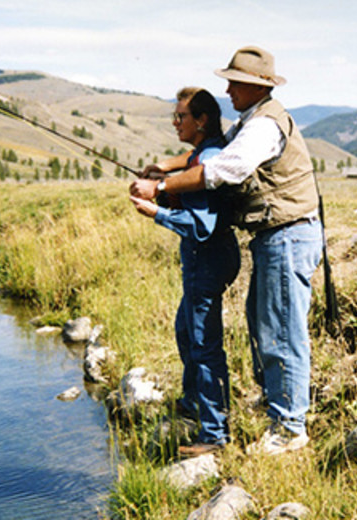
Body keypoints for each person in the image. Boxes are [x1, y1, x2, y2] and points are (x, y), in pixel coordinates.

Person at [130, 46, 323, 455]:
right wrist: (165, 166)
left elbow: (223, 168)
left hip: (287, 235)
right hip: (276, 236)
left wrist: (161, 190)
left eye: (236, 83)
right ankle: (280, 410)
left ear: (258, 87)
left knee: (281, 333)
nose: (229, 89)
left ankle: (289, 428)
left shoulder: (264, 126)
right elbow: (207, 152)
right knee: (265, 326)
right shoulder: (250, 121)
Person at [129, 87, 240, 458]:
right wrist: (161, 174)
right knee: (185, 329)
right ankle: (194, 402)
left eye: (181, 117)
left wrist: (155, 211)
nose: (175, 123)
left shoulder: (207, 159)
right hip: (209, 256)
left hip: (206, 255)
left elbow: (200, 224)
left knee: (204, 345)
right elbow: (188, 165)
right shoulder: (202, 153)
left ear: (202, 120)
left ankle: (214, 433)